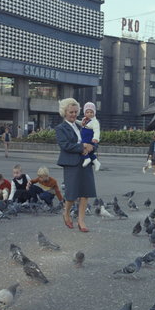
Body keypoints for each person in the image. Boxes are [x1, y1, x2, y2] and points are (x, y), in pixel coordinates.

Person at [55, 98, 96, 232]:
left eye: (75, 112)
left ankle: (81, 220)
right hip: (71, 163)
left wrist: (92, 147)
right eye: (70, 112)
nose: (73, 114)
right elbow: (65, 145)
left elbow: (93, 138)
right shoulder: (61, 128)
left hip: (86, 162)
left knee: (85, 192)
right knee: (72, 194)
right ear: (64, 112)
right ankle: (66, 212)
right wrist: (82, 146)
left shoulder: (83, 125)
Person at [78, 102, 101, 171]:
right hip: (84, 136)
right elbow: (81, 124)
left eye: (91, 112)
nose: (89, 114)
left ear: (94, 113)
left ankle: (87, 158)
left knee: (83, 148)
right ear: (85, 113)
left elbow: (97, 130)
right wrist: (75, 121)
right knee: (90, 152)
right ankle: (96, 162)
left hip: (89, 137)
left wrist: (96, 138)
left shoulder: (95, 121)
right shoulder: (85, 120)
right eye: (87, 112)